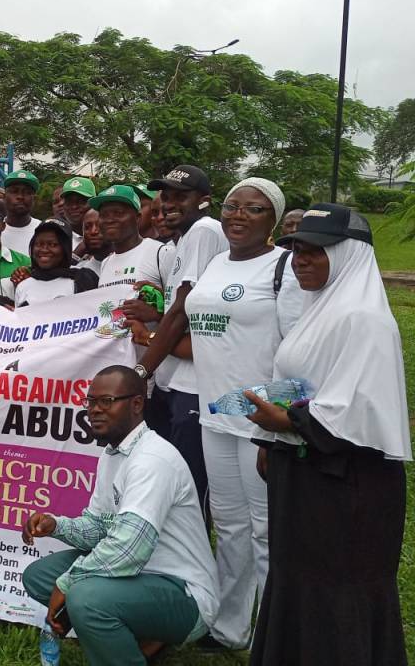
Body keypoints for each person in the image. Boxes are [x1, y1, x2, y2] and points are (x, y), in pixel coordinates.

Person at [244, 204, 410, 665]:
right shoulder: (319, 311)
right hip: (305, 474)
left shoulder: (365, 320)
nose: (300, 260)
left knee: (337, 592)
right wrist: (271, 441)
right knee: (298, 582)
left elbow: (358, 410)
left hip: (347, 488)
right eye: (297, 249)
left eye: (316, 251)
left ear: (349, 255)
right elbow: (304, 384)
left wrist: (286, 424)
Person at [21, 366, 217, 666]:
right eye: (90, 401)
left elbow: (128, 549)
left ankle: (139, 638)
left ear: (137, 404)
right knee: (39, 577)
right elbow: (98, 527)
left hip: (183, 592)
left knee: (85, 597)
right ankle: (136, 635)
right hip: (137, 575)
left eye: (107, 401)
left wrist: (68, 583)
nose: (95, 410)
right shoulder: (112, 454)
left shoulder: (152, 459)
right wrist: (55, 525)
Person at [183, 177, 303, 651]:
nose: (238, 215)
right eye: (233, 205)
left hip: (260, 420)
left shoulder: (283, 268)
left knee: (266, 530)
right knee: (229, 525)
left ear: (273, 219)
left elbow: (297, 351)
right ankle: (231, 628)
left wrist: (279, 425)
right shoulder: (215, 262)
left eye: (254, 209)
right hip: (215, 413)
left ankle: (273, 638)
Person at [136, 165, 228, 512]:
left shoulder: (204, 230)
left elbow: (180, 312)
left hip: (193, 388)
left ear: (204, 200)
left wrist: (141, 370)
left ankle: (194, 549)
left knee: (188, 492)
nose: (170, 203)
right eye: (166, 196)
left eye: (181, 196)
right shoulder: (181, 241)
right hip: (174, 381)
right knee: (169, 489)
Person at [91, 185, 163, 290]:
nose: (110, 220)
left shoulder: (160, 253)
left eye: (118, 213)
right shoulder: (105, 263)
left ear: (137, 217)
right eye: (104, 215)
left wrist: (156, 299)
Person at [14, 219, 78, 306]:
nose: (44, 250)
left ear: (65, 248)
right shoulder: (22, 287)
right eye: (39, 244)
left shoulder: (80, 280)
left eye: (53, 245)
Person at [0, 170, 42, 257]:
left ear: (34, 199)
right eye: (14, 191)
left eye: (27, 192)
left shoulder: (43, 230)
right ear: (4, 197)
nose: (20, 197)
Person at [60, 176, 96, 248]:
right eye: (69, 202)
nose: (74, 206)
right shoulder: (57, 240)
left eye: (81, 201)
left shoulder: (109, 238)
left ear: (94, 203)